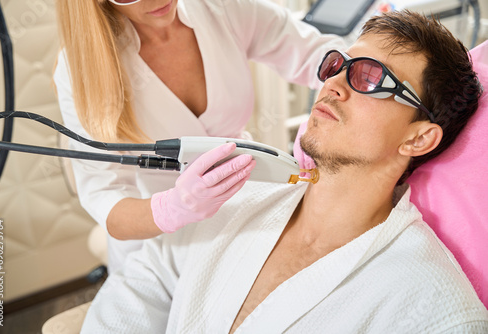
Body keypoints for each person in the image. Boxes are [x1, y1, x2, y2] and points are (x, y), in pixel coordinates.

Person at [80, 10, 488, 333]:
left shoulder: (434, 308)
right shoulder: (234, 201)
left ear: (418, 139)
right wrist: (166, 210)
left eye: (370, 77)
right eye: (337, 65)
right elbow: (137, 291)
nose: (332, 85)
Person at [53, 0, 345, 272]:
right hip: (156, 244)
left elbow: (314, 55)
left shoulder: (219, 6)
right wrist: (172, 208)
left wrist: (341, 93)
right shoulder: (80, 68)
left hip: (248, 208)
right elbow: (106, 201)